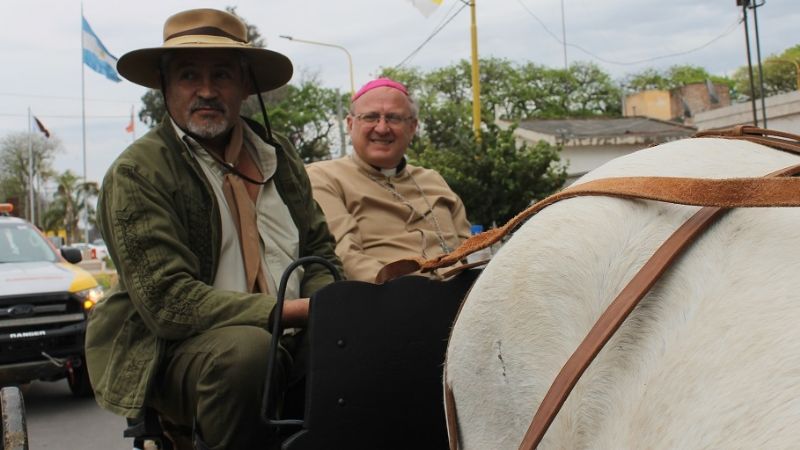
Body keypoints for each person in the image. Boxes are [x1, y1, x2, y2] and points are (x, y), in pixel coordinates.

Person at [84, 8, 342, 449]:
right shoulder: (138, 172)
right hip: (176, 348)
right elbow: (168, 303)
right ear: (165, 87)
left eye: (221, 75)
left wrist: (328, 305)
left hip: (289, 332)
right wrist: (290, 313)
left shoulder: (276, 155)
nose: (206, 91)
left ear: (244, 86)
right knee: (248, 353)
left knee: (354, 336)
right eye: (188, 76)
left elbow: (318, 249)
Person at [307, 78, 471, 282]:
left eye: (394, 118)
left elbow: (470, 247)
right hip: (384, 300)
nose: (382, 128)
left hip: (463, 298)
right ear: (350, 124)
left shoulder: (432, 179)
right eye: (370, 117)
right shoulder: (324, 177)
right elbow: (344, 255)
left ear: (413, 127)